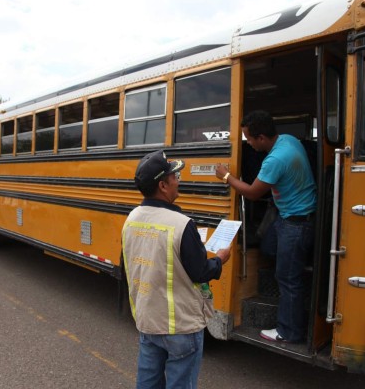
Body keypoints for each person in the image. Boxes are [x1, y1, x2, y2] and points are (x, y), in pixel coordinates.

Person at [122, 150, 231, 389]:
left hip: (148, 319)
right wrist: (221, 258)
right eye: (174, 176)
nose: (177, 180)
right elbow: (201, 272)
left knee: (148, 383)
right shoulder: (182, 224)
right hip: (180, 326)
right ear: (163, 185)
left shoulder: (132, 219)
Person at [215, 110, 316, 343]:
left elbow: (251, 193)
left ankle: (288, 331)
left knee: (288, 279)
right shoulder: (288, 140)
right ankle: (288, 267)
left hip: (295, 223)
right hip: (290, 215)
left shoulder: (275, 160)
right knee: (268, 247)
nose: (248, 143)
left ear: (261, 137)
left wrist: (226, 176)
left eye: (249, 139)